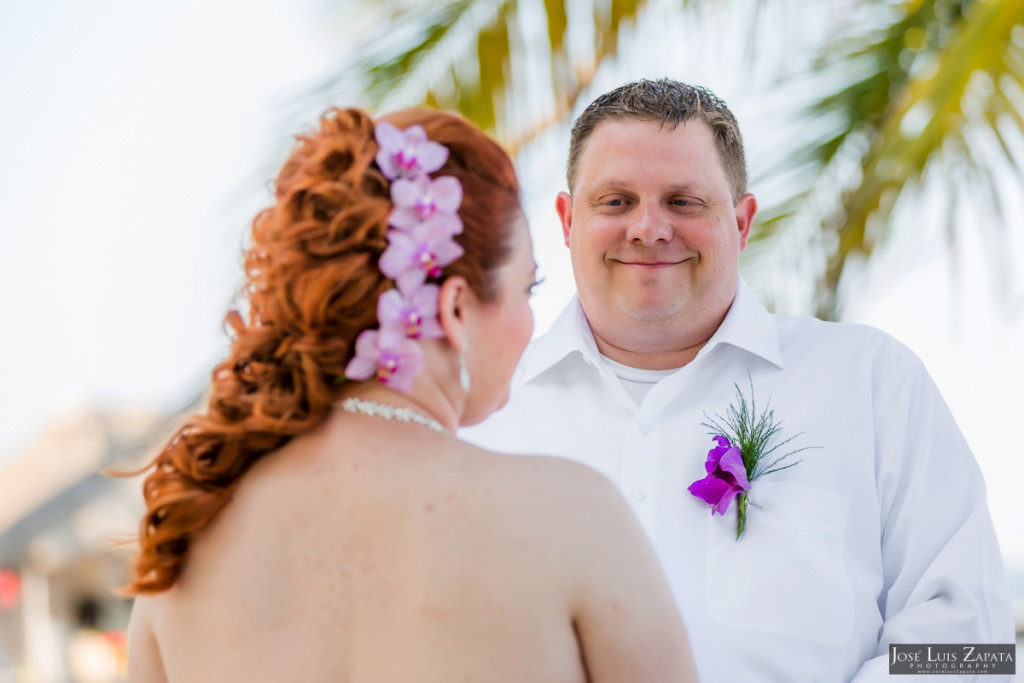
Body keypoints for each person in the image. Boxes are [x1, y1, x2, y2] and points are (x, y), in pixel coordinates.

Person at [462, 79, 1015, 682]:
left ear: (742, 221)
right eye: (616, 201)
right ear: (568, 220)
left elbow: (975, 647)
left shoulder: (873, 383)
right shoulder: (476, 412)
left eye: (683, 201)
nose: (648, 228)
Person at [122, 107, 701, 682]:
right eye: (527, 288)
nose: (532, 323)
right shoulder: (574, 514)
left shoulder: (182, 552)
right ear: (454, 310)